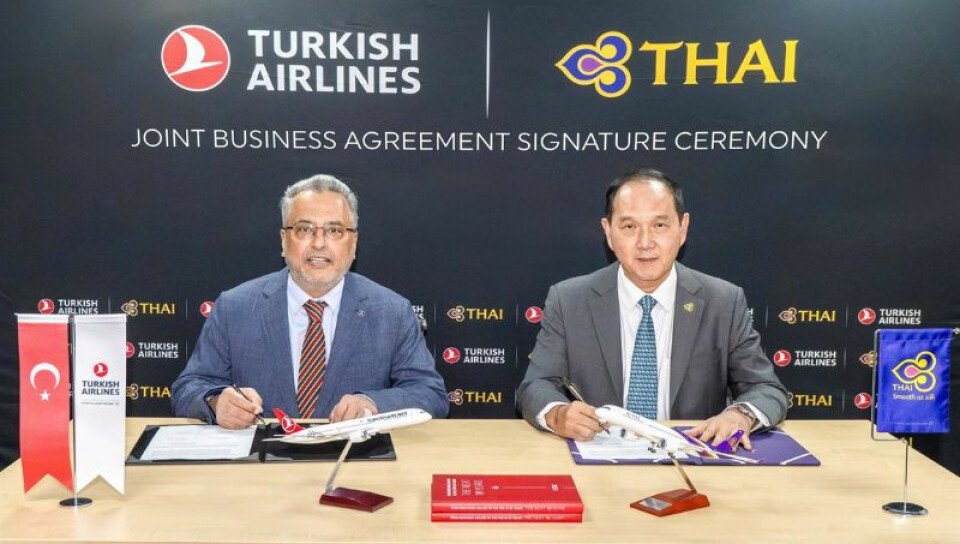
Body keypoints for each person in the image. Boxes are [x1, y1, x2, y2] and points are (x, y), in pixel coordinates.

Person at [517, 169, 787, 450]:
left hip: (691, 456)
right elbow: (536, 386)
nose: (645, 243)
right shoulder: (568, 300)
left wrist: (740, 416)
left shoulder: (723, 301)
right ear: (608, 232)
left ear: (682, 228)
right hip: (600, 456)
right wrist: (558, 414)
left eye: (660, 225)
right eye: (629, 227)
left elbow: (766, 388)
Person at [172, 174, 448, 428]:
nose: (318, 243)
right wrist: (216, 402)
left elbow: (430, 394)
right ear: (284, 240)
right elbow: (189, 387)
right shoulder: (235, 307)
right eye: (304, 229)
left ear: (353, 244)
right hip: (261, 460)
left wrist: (372, 404)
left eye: (334, 231)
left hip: (353, 457)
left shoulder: (392, 312)